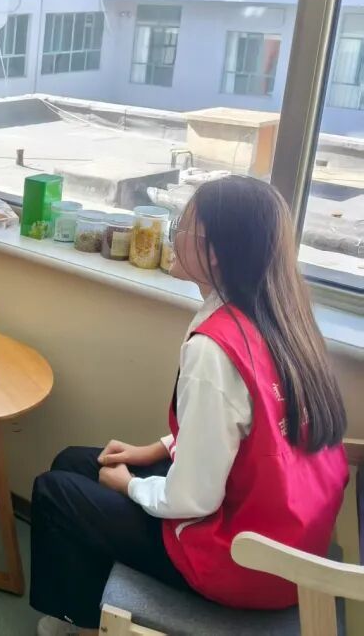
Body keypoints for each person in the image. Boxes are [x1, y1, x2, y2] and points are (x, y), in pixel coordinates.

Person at [29, 176, 349, 636]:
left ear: (214, 251)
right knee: (75, 462)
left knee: (55, 491)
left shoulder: (214, 350)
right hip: (290, 539)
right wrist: (155, 450)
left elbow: (193, 498)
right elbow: (237, 429)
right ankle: (87, 611)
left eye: (183, 225)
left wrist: (130, 486)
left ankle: (81, 624)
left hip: (245, 563)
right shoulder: (283, 319)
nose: (172, 235)